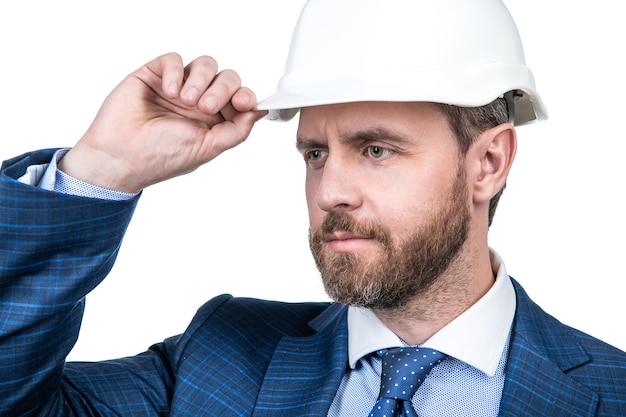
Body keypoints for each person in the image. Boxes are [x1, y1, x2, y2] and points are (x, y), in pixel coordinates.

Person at [1, 0, 625, 416]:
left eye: (377, 150)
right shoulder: (218, 358)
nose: (330, 192)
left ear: (487, 163)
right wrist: (101, 172)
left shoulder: (610, 394)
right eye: (315, 154)